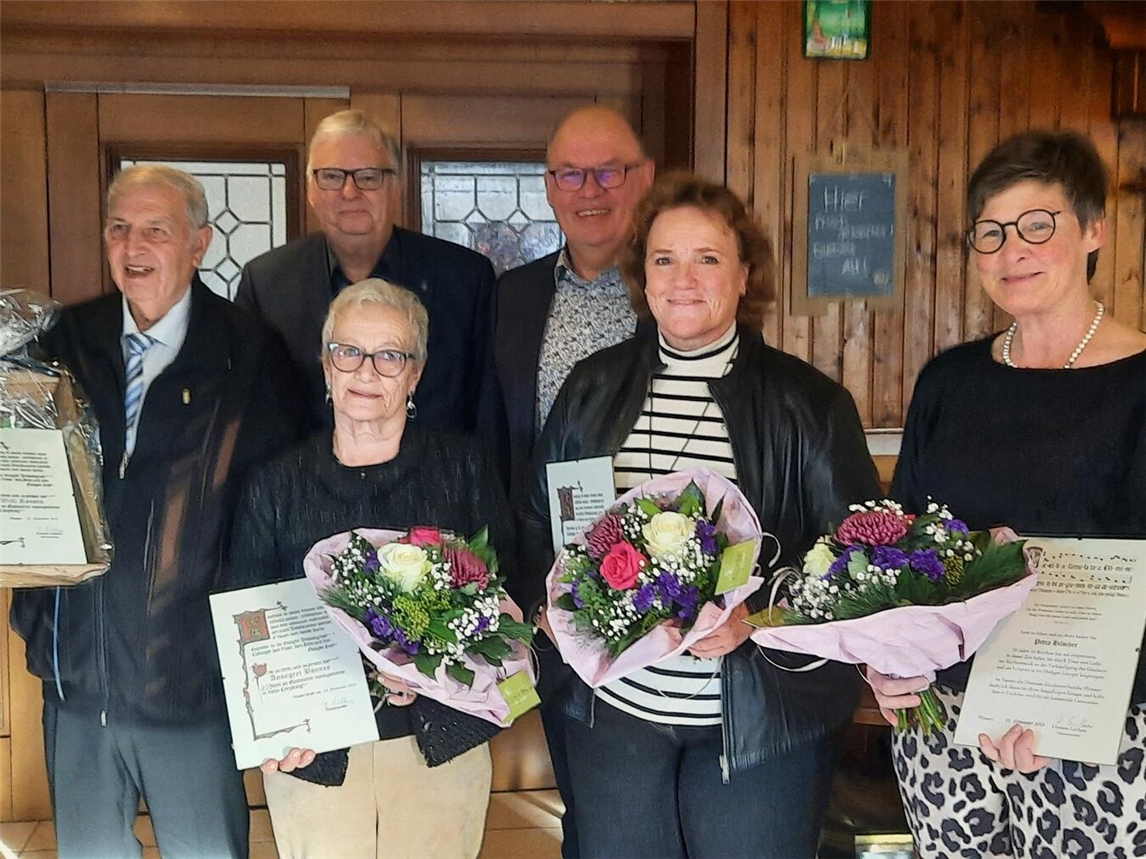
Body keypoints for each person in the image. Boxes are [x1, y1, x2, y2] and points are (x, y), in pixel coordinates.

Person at [521, 172, 881, 858]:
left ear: (745, 275)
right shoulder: (592, 386)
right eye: (664, 259)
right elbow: (541, 521)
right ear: (643, 276)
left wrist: (756, 619)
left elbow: (857, 565)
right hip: (614, 712)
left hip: (754, 720)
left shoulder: (809, 404)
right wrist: (555, 602)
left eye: (707, 258)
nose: (682, 278)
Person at [10, 165, 309, 859]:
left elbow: (282, 521)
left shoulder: (252, 356)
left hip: (193, 683)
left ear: (199, 244)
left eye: (156, 228)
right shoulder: (61, 342)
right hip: (76, 675)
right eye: (119, 227)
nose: (132, 244)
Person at [868, 130, 1146, 858]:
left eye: (1037, 225)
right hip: (947, 720)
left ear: (1092, 230)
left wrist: (1065, 707)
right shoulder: (950, 380)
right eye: (990, 233)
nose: (1010, 250)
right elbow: (904, 546)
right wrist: (887, 657)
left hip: (1102, 727)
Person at [229, 278, 516, 859]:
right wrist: (273, 720)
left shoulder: (461, 469)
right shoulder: (276, 483)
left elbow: (504, 606)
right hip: (314, 753)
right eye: (349, 351)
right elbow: (246, 615)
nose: (366, 371)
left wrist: (435, 674)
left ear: (415, 374)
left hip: (438, 745)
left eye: (390, 355)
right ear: (327, 366)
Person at [494, 104, 654, 858]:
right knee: (589, 807)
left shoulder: (679, 287)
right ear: (549, 186)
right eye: (569, 173)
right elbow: (495, 443)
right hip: (556, 597)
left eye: (608, 170)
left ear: (643, 178)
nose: (589, 189)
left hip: (674, 598)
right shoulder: (510, 300)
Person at [236, 109, 499, 436]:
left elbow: (486, 414)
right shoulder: (266, 285)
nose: (349, 192)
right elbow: (250, 416)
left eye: (369, 176)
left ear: (396, 186)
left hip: (438, 482)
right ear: (310, 189)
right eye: (332, 176)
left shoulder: (465, 279)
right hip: (302, 483)